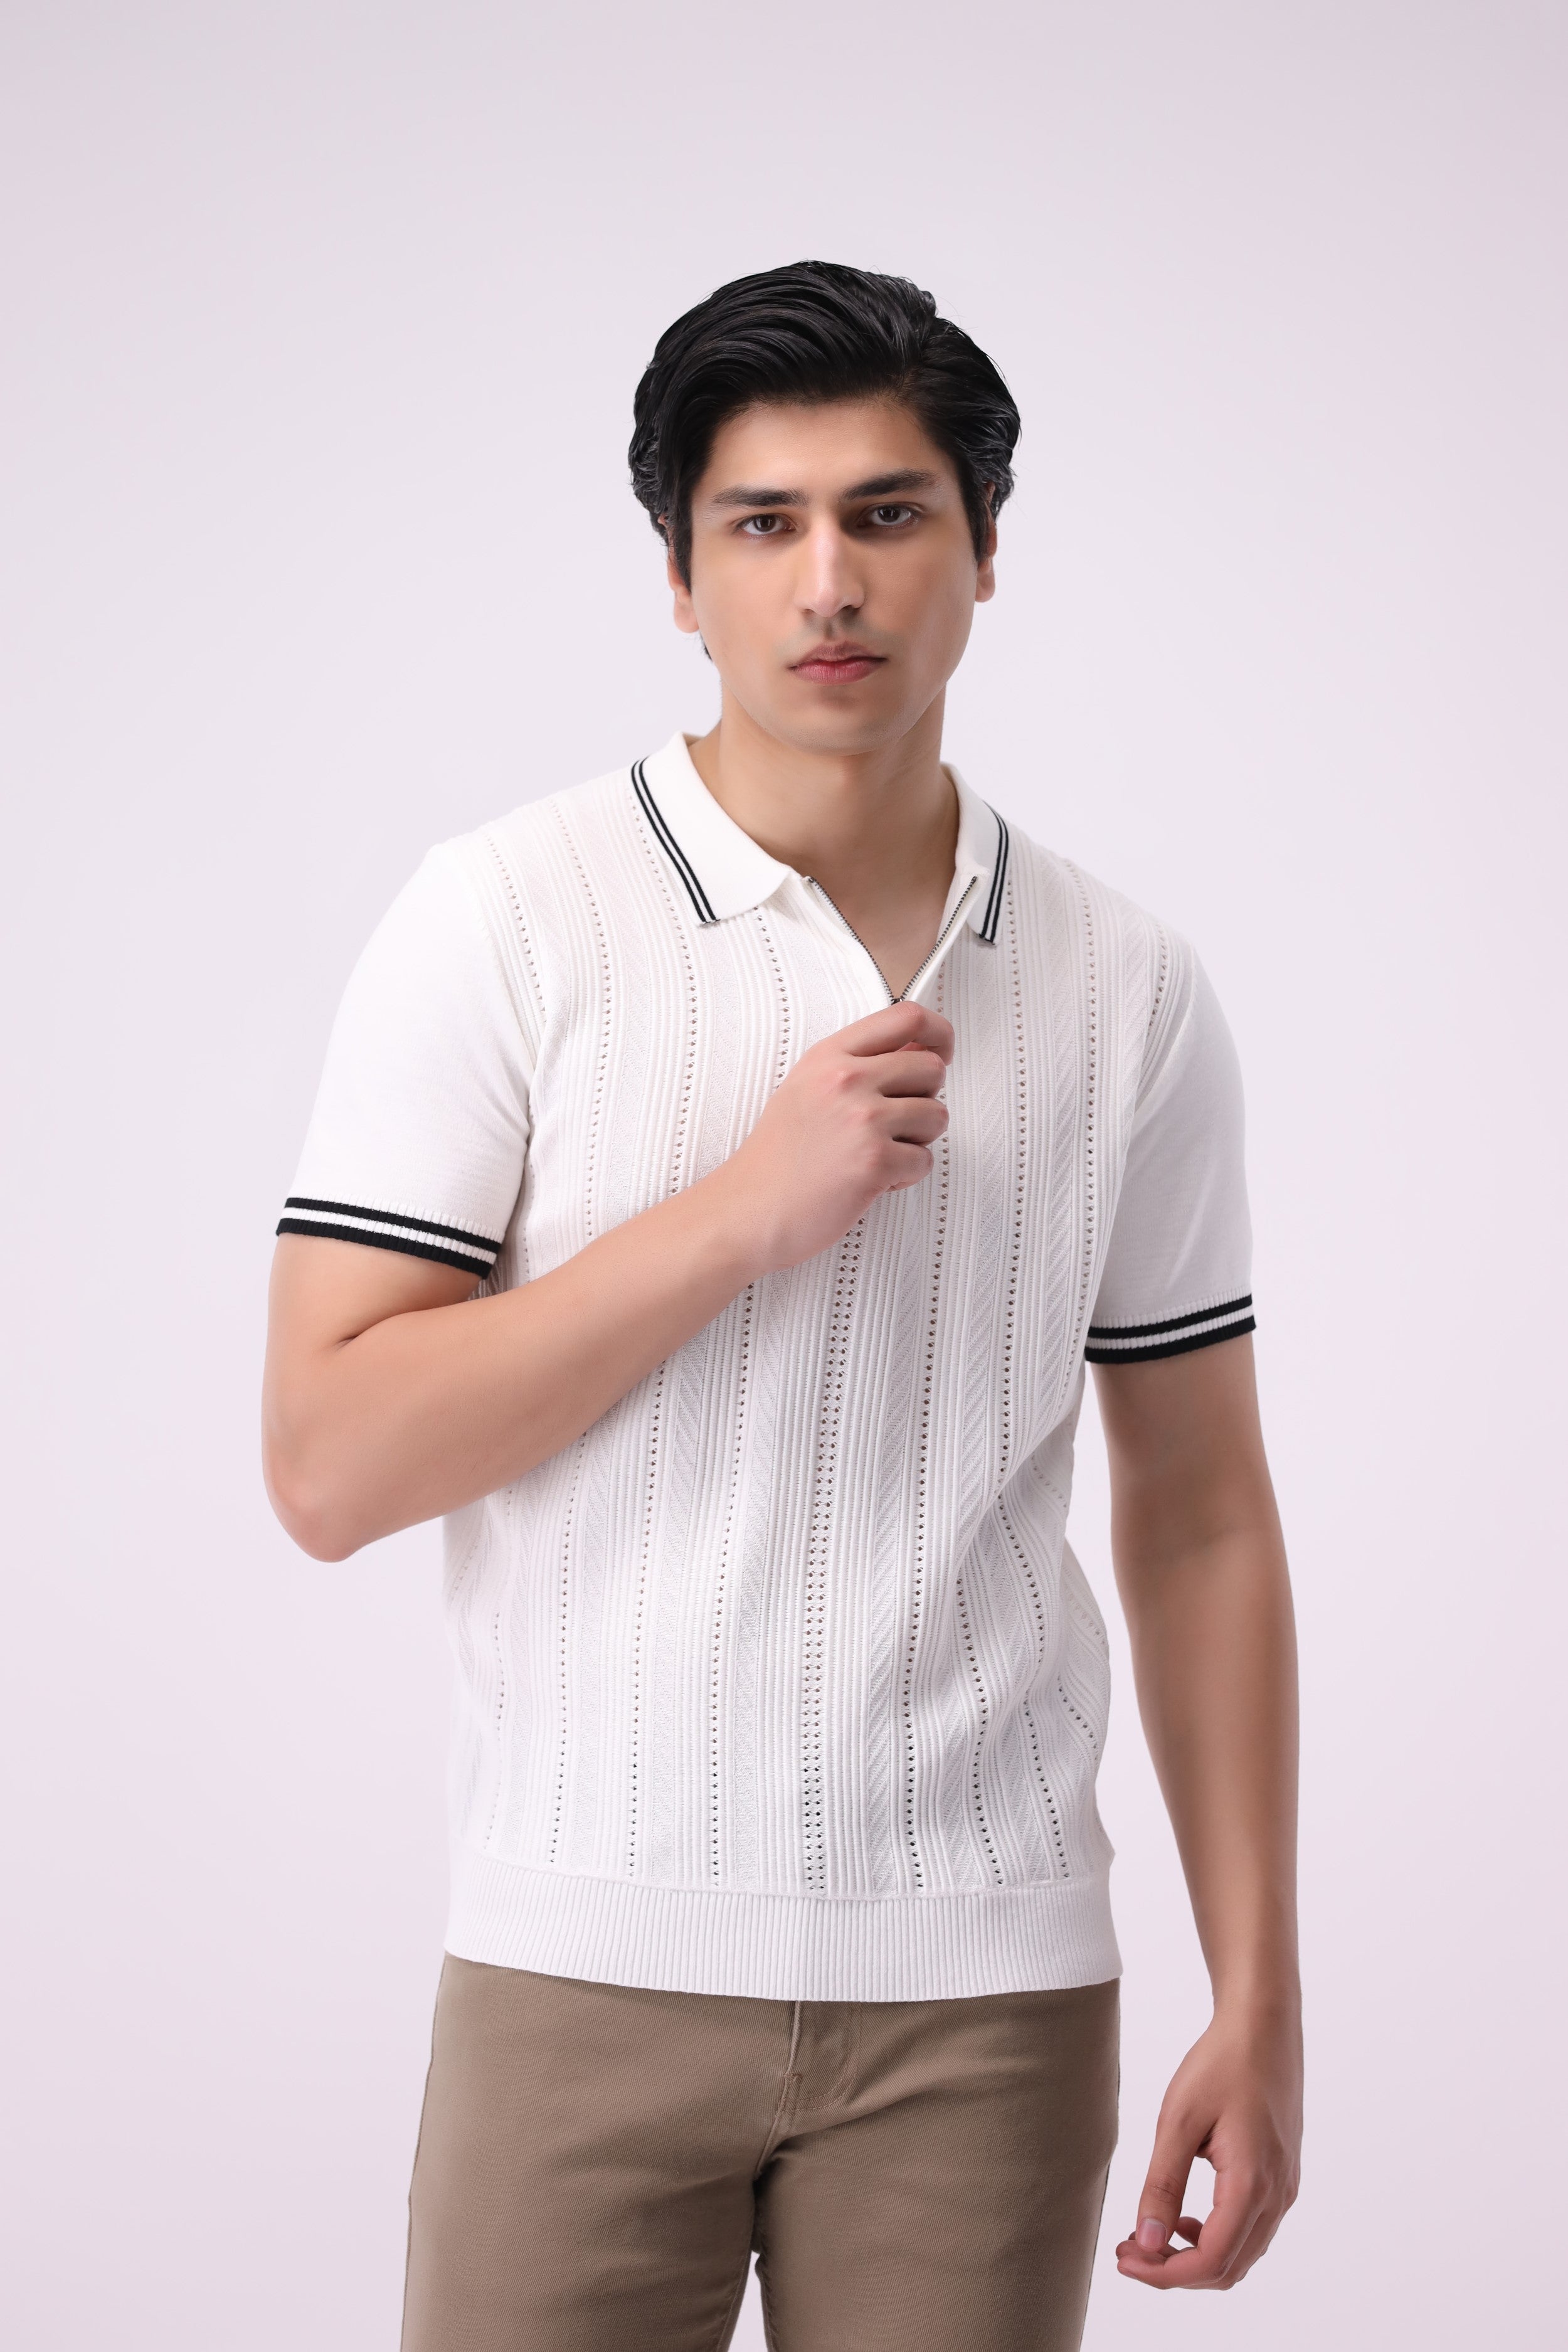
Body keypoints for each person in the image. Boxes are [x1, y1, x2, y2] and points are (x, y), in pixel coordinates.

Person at [262, 261, 1301, 2352]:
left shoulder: (1126, 985)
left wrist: (1258, 1990)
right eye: (764, 524)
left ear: (982, 552)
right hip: (582, 1967)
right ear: (682, 576)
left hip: (989, 2003)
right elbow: (329, 1464)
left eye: (888, 514)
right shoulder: (502, 918)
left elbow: (1198, 1513)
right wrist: (740, 1214)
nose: (829, 582)